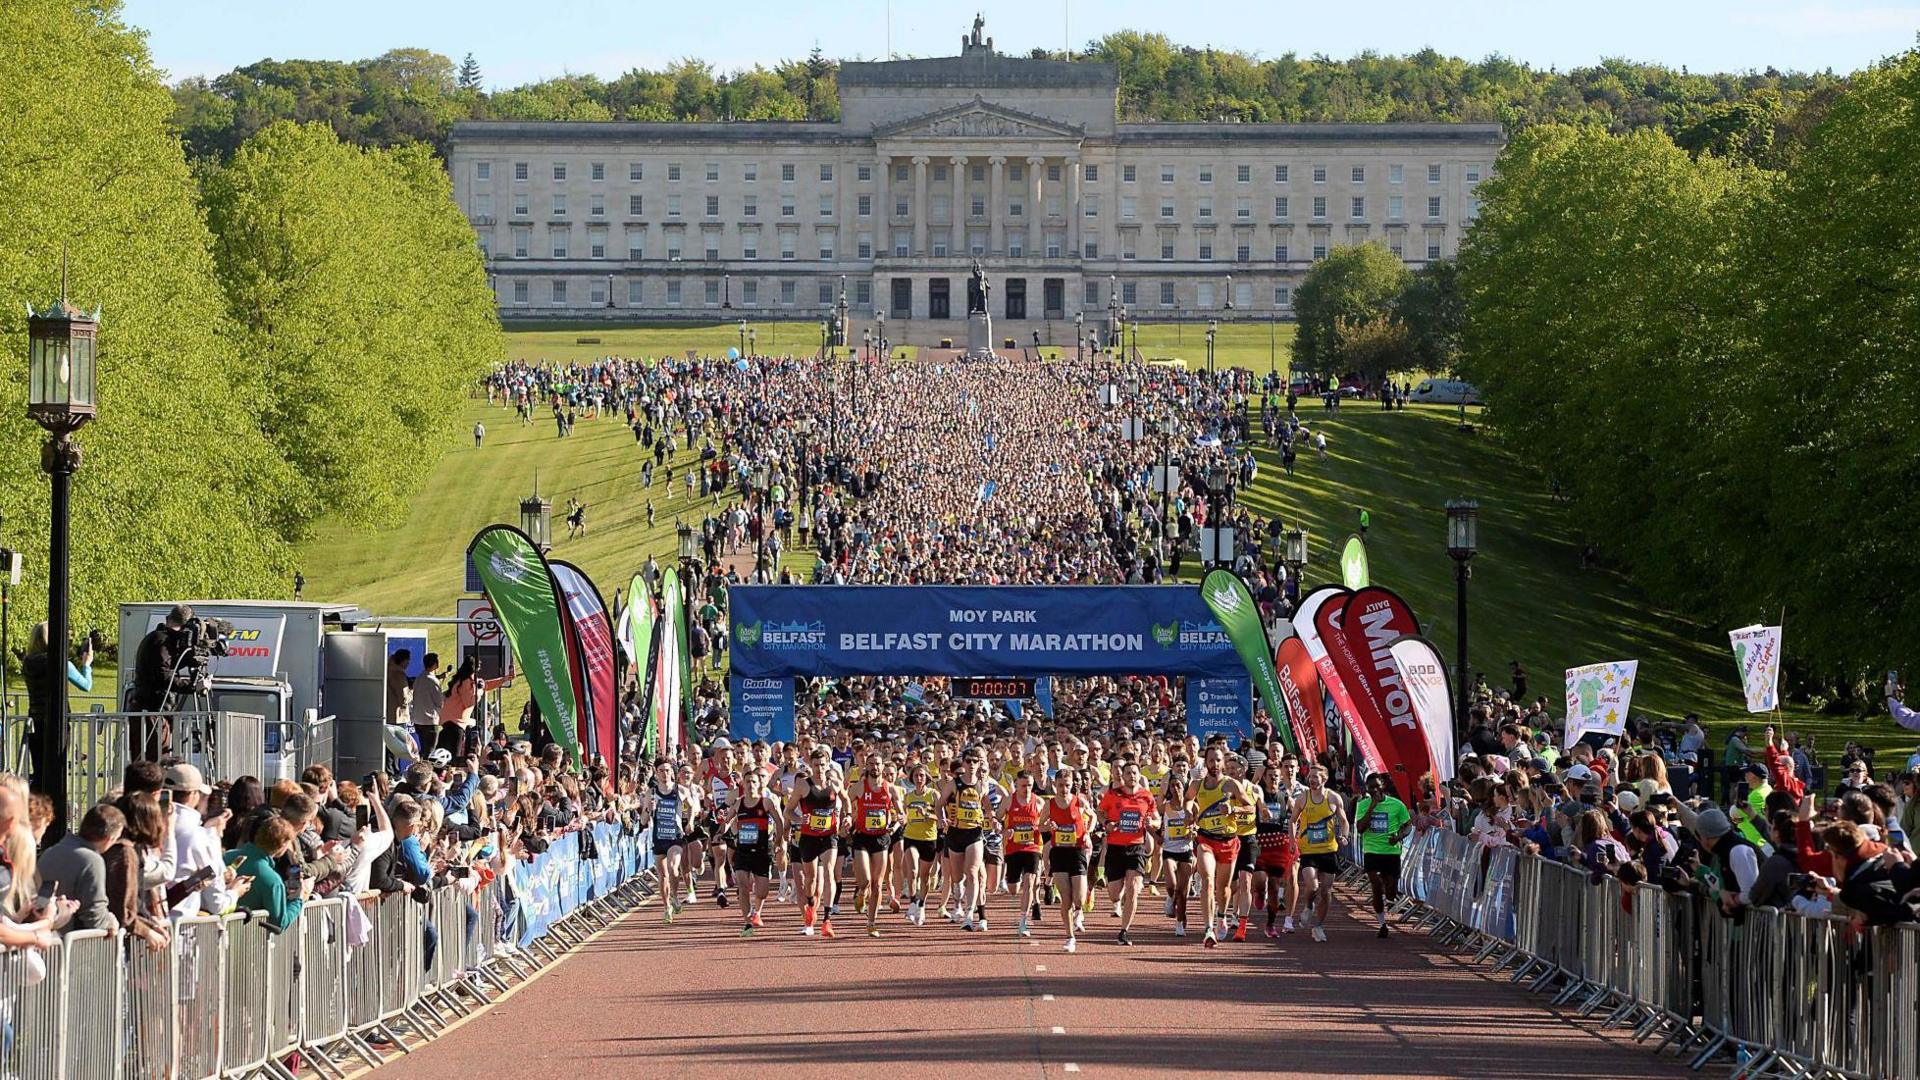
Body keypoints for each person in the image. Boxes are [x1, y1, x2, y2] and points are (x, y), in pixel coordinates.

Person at [20, 620, 94, 807]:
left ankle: (35, 810)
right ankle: (56, 810)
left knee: (39, 771)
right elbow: (86, 685)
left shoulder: (28, 662)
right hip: (57, 722)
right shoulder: (60, 662)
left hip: (35, 719)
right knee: (56, 768)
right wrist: (87, 664)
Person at [1097, 758, 1158, 946]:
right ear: (1122, 776)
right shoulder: (1113, 795)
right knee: (1115, 894)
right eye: (1128, 773)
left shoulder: (1147, 796)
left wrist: (1152, 824)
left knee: (1133, 888)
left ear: (1139, 776)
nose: (1132, 776)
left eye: (1135, 773)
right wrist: (1106, 823)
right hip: (1115, 847)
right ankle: (1120, 900)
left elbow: (1156, 819)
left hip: (1136, 847)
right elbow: (1100, 812)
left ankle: (1124, 931)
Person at [38, 803, 126, 932]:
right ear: (108, 839)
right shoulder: (92, 860)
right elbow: (94, 914)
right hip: (72, 943)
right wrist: (110, 922)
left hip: (46, 939)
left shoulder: (50, 852)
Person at [1293, 763, 1348, 942]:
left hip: (1328, 850)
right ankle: (1308, 906)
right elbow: (1292, 820)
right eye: (1310, 777)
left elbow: (1344, 821)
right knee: (1313, 886)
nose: (1312, 780)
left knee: (1326, 891)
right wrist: (1292, 841)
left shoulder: (1333, 798)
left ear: (1324, 779)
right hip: (1308, 850)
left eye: (1316, 777)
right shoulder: (1302, 798)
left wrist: (1344, 836)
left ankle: (1318, 926)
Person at [725, 768, 782, 936]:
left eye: (754, 782)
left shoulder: (766, 802)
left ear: (759, 784)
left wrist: (778, 841)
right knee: (742, 884)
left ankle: (756, 910)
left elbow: (778, 821)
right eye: (748, 781)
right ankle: (747, 922)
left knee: (762, 891)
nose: (750, 785)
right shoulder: (738, 803)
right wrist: (723, 829)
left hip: (763, 850)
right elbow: (728, 820)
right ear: (743, 783)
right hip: (743, 850)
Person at [228, 816, 309, 934]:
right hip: (250, 942)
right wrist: (298, 900)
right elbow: (279, 924)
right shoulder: (272, 880)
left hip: (216, 939)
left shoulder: (227, 857)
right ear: (282, 845)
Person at [1353, 776, 1411, 940]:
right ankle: (1382, 924)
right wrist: (1372, 806)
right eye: (1371, 788)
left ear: (1383, 786)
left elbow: (1408, 825)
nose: (1374, 791)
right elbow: (1360, 828)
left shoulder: (1397, 805)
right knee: (1376, 884)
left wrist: (1399, 837)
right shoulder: (1363, 804)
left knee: (1391, 890)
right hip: (1372, 850)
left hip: (1391, 851)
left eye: (1377, 787)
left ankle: (1389, 896)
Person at [1045, 769, 1093, 952]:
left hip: (1077, 851)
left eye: (1067, 785)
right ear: (1055, 785)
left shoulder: (1079, 801)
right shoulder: (1050, 805)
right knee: (1066, 897)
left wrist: (1087, 832)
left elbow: (1093, 816)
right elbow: (1040, 824)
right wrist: (1048, 825)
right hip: (1059, 853)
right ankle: (1069, 936)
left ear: (1072, 784)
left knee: (1079, 898)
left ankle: (1079, 913)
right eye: (1060, 785)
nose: (1064, 789)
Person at [643, 759, 693, 924]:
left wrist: (690, 821)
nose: (665, 774)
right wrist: (649, 809)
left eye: (667, 770)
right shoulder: (651, 793)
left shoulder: (680, 790)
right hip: (659, 838)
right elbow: (643, 820)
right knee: (662, 875)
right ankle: (667, 908)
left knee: (673, 868)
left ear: (673, 772)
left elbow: (692, 806)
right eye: (661, 771)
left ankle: (675, 895)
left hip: (675, 836)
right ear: (656, 773)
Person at [1000, 770, 1047, 937]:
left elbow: (1045, 824)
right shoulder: (1008, 801)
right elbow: (997, 822)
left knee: (1029, 881)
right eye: (1023, 786)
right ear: (1016, 785)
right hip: (1013, 849)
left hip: (1033, 848)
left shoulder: (1039, 803)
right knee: (1013, 888)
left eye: (1029, 785)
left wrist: (1047, 827)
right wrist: (1004, 831)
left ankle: (1023, 922)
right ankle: (1013, 881)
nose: (1026, 789)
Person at [411, 653, 446, 758]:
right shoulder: (433, 681)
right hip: (430, 720)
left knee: (423, 750)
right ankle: (427, 771)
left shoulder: (418, 679)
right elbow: (439, 702)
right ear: (435, 664)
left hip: (418, 720)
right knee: (430, 751)